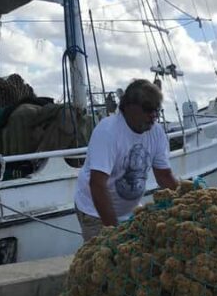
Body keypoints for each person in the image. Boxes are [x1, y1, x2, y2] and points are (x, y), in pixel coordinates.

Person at [75, 79, 178, 241]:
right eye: (148, 109)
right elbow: (97, 184)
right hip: (94, 211)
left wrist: (187, 200)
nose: (153, 116)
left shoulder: (156, 132)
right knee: (105, 260)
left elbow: (164, 176)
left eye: (156, 110)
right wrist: (114, 232)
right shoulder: (108, 132)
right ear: (129, 107)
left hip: (129, 211)